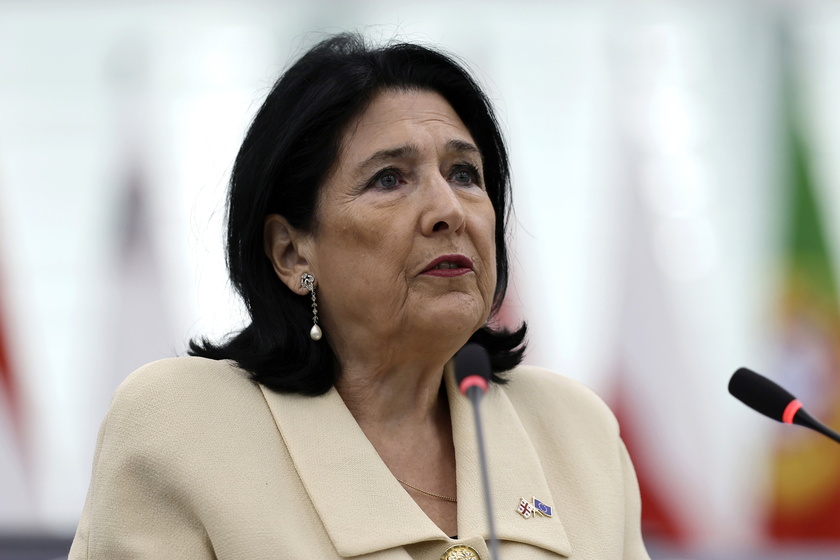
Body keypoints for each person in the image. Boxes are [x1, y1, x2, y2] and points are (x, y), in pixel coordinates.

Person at [69, 33, 650, 560]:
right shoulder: (182, 426)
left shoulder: (578, 433)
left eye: (465, 174)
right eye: (390, 179)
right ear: (292, 253)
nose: (449, 210)